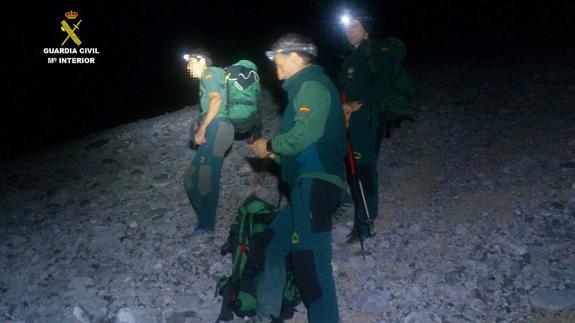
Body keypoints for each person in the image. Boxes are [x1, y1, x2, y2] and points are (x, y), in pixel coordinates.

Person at [250, 33, 346, 323]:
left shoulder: (312, 85)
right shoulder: (301, 90)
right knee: (269, 244)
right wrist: (273, 155)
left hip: (316, 184)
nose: (277, 74)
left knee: (310, 264)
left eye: (280, 64)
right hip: (303, 189)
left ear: (295, 57)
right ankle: (266, 313)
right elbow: (299, 148)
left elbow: (304, 136)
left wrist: (270, 145)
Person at [338, 7, 408, 241]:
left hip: (367, 120)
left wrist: (359, 103)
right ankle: (359, 211)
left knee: (364, 168)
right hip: (352, 121)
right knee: (353, 168)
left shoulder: (377, 51)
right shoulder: (352, 57)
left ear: (366, 29)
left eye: (354, 26)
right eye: (347, 26)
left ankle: (366, 221)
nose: (349, 31)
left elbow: (385, 83)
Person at [183, 49, 234, 233]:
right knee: (191, 178)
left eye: (190, 63)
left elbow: (216, 100)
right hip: (217, 128)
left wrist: (202, 127)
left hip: (218, 127)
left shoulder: (210, 73)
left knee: (206, 176)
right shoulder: (210, 77)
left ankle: (207, 224)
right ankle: (204, 220)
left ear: (202, 60)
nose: (188, 68)